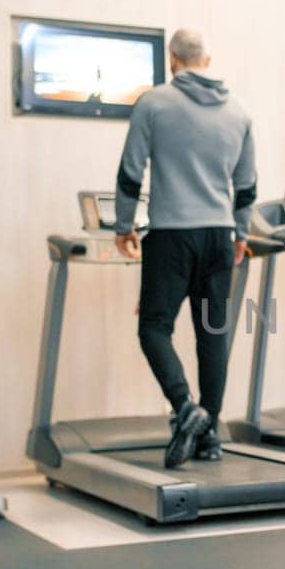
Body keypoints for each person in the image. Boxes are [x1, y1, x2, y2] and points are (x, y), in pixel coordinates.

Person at [114, 28, 257, 468]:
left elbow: (130, 173)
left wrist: (123, 225)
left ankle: (184, 406)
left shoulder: (153, 104)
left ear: (173, 60)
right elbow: (247, 185)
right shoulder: (238, 112)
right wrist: (241, 234)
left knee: (154, 327)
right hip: (218, 235)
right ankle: (209, 434)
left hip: (172, 234)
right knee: (212, 334)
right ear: (207, 60)